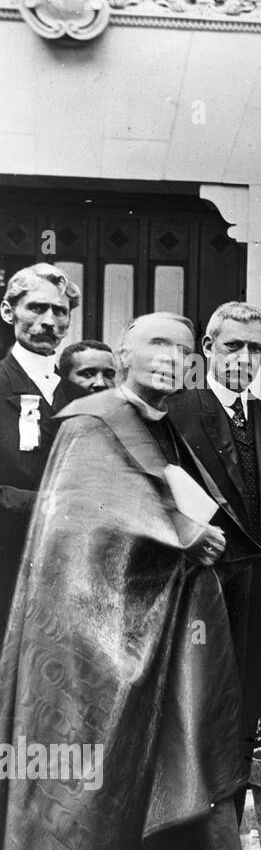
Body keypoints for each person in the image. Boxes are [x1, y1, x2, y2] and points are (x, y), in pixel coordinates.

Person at [0, 313, 256, 850]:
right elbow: (85, 530)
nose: (171, 357)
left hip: (156, 641)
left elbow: (177, 504)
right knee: (97, 796)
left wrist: (194, 537)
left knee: (158, 781)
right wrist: (180, 537)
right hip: (92, 653)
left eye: (182, 346)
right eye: (156, 344)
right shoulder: (92, 423)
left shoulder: (162, 427)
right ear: (123, 355)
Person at [169, 303, 261, 850]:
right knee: (200, 721)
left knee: (251, 719)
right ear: (208, 348)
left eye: (255, 349)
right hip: (203, 596)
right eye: (232, 347)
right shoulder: (177, 413)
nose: (243, 360)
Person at [0, 263, 79, 634]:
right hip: (7, 561)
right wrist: (44, 504)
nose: (49, 321)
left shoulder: (80, 394)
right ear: (7, 311)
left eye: (60, 311)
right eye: (36, 307)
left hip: (68, 568)